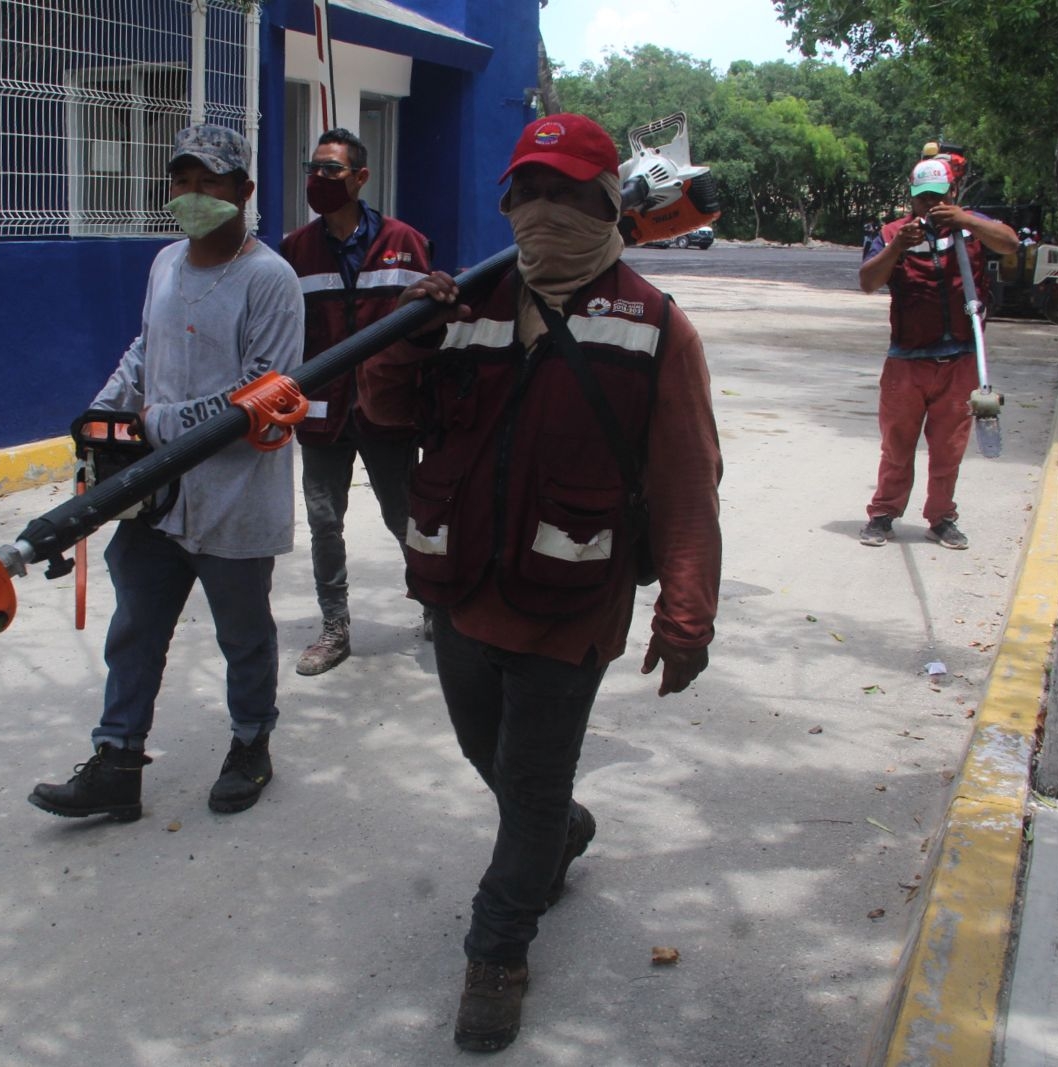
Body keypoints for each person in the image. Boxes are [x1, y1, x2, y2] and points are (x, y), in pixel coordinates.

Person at [360, 113, 723, 1052]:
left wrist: (687, 616)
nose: (546, 211)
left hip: (572, 602)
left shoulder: (657, 328)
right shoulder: (467, 305)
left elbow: (688, 484)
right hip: (462, 591)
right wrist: (409, 335)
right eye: (529, 192)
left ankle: (497, 947)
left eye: (567, 193)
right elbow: (386, 411)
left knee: (525, 783)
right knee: (492, 761)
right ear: (506, 204)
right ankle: (562, 828)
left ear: (609, 204)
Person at [29, 124, 304, 821]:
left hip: (235, 494)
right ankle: (117, 759)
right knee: (135, 628)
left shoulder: (269, 280)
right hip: (157, 496)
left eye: (210, 181)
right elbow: (144, 350)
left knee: (242, 634)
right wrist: (104, 410)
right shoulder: (165, 264)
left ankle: (251, 742)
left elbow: (263, 392)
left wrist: (158, 423)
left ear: (244, 191)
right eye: (181, 180)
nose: (193, 194)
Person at [280, 128, 434, 676]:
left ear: (360, 178)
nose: (318, 179)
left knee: (405, 516)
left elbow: (426, 334)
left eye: (331, 171)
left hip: (386, 410)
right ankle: (334, 627)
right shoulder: (295, 249)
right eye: (313, 168)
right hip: (321, 412)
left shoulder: (406, 242)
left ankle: (435, 603)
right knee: (324, 522)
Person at [857, 154, 1016, 550]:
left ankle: (942, 518)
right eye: (922, 197)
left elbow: (1010, 244)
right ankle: (883, 513)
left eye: (937, 196)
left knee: (949, 449)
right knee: (897, 445)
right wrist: (897, 248)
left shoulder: (972, 229)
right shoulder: (894, 232)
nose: (930, 205)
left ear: (953, 193)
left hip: (961, 359)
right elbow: (867, 281)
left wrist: (963, 219)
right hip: (907, 361)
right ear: (911, 198)